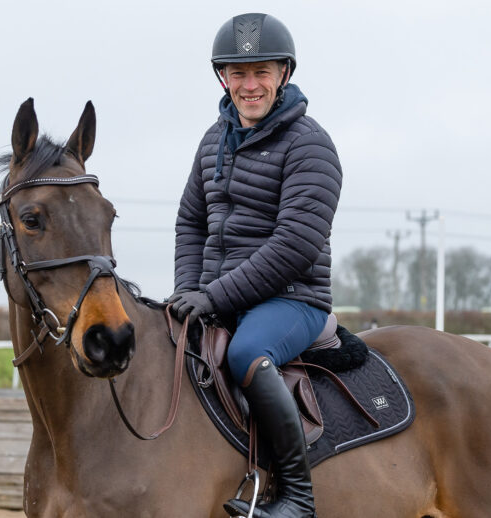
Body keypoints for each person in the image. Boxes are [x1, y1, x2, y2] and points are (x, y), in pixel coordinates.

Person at [170, 12, 342, 518]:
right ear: (222, 77)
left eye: (261, 72)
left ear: (283, 74)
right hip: (220, 293)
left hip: (292, 298)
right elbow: (190, 223)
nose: (249, 85)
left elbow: (296, 243)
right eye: (237, 73)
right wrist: (189, 293)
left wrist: (215, 297)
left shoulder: (310, 145)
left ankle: (297, 497)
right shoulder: (212, 140)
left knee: (246, 352)